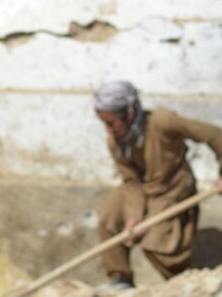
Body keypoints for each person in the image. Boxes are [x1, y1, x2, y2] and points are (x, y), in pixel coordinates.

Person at [93, 80, 222, 289]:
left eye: (111, 122)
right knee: (109, 216)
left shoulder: (163, 121)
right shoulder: (115, 142)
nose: (108, 130)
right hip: (142, 189)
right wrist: (133, 217)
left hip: (173, 189)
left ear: (129, 113)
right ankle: (121, 279)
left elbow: (215, 135)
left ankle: (182, 281)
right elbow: (132, 182)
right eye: (104, 123)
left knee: (156, 239)